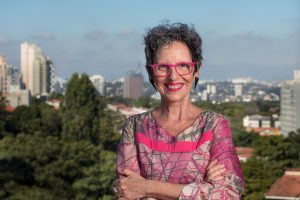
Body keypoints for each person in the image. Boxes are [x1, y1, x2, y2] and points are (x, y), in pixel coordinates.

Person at [115, 22, 244, 200]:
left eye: (183, 65)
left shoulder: (213, 125)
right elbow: (127, 192)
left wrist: (147, 187)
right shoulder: (134, 127)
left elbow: (228, 194)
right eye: (162, 67)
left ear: (196, 69)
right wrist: (201, 189)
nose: (173, 76)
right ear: (150, 73)